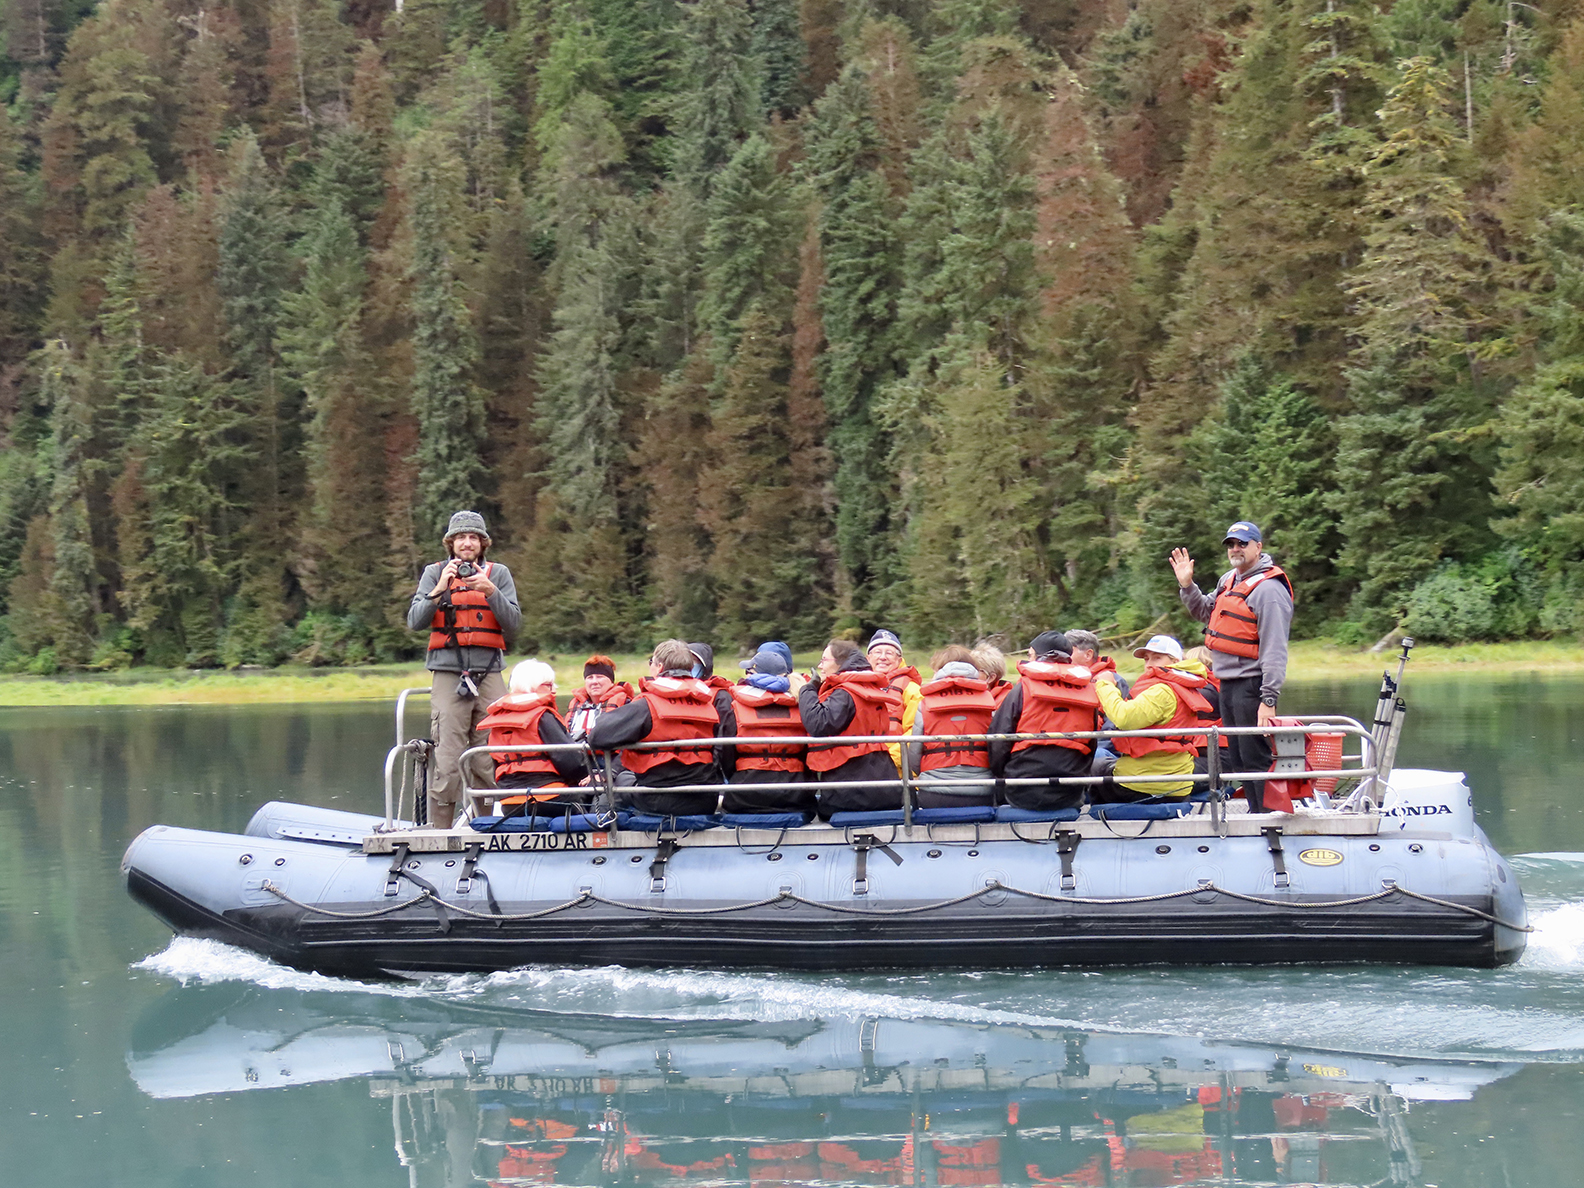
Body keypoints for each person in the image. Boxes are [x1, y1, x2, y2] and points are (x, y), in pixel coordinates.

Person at [406, 510, 522, 828]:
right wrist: (439, 589)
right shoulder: (434, 573)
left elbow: (514, 624)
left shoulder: (498, 574)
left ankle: (490, 827)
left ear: (482, 543)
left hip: (489, 672)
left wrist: (490, 592)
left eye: (473, 537)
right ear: (451, 543)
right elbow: (415, 621)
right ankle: (440, 832)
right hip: (448, 674)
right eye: (461, 538)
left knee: (489, 755)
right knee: (447, 757)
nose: (467, 543)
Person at [1171, 520, 1294, 812]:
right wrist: (1187, 585)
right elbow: (1204, 611)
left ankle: (1268, 818)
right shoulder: (1229, 580)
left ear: (1258, 547)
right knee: (1238, 756)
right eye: (1231, 544)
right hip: (1227, 682)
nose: (1236, 549)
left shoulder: (1269, 590)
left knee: (1254, 756)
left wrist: (1269, 699)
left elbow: (1275, 650)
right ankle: (1255, 812)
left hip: (1252, 685)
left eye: (1242, 543)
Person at [588, 638, 722, 817]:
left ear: (658, 667)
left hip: (659, 800)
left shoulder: (647, 705)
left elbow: (597, 737)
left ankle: (600, 834)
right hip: (705, 800)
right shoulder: (709, 704)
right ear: (690, 669)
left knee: (620, 780)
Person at [987, 631, 1103, 811]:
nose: (1028, 659)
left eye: (1030, 655)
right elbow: (1091, 744)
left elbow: (998, 742)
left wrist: (1001, 776)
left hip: (1022, 792)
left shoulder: (1022, 689)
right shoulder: (1088, 692)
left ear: (1040, 657)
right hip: (1070, 793)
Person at [1091, 635, 1214, 801]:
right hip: (1176, 783)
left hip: (1146, 785)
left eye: (1157, 658)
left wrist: (1105, 685)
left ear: (1175, 661)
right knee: (1102, 763)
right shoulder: (1182, 685)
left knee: (1092, 767)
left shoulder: (1162, 691)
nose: (1149, 664)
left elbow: (1124, 718)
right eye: (1146, 659)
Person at [790, 639, 902, 817]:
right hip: (884, 785)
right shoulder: (867, 687)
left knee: (824, 812)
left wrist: (808, 690)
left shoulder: (844, 693)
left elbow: (819, 724)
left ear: (840, 663)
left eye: (824, 660)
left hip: (851, 791)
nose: (820, 665)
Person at [477, 658, 589, 814]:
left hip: (510, 804)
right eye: (549, 685)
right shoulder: (542, 716)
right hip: (550, 798)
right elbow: (570, 762)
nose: (553, 690)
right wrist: (588, 774)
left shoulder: (497, 720)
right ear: (537, 686)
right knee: (592, 795)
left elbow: (495, 764)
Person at [719, 648, 815, 816]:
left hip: (745, 792)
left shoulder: (735, 707)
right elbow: (811, 754)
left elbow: (726, 754)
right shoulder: (802, 705)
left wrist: (737, 778)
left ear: (754, 674)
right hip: (795, 793)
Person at [904, 646, 996, 808]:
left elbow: (914, 758)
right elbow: (998, 749)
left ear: (940, 670)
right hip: (982, 793)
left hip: (934, 795)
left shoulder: (925, 704)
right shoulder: (989, 701)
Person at [866, 629, 922, 766]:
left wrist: (890, 759)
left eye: (889, 653)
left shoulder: (912, 689)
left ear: (899, 660)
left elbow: (915, 731)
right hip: (861, 765)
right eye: (878, 652)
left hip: (896, 768)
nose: (883, 657)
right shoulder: (856, 687)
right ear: (868, 658)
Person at [565, 654, 635, 741]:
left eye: (600, 677)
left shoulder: (626, 704)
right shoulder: (575, 705)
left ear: (611, 682)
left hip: (611, 754)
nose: (594, 682)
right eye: (590, 677)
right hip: (577, 753)